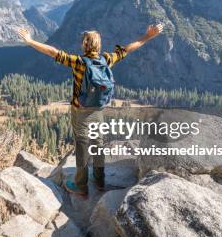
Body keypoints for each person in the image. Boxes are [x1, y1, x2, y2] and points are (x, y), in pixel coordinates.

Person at [17, 24, 163, 197]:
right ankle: (99, 180)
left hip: (81, 111)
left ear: (84, 45)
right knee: (98, 144)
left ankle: (80, 185)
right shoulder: (107, 59)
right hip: (99, 109)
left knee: (82, 145)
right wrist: (147, 36)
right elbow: (128, 49)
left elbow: (53, 52)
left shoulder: (78, 63)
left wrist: (30, 40)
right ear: (99, 46)